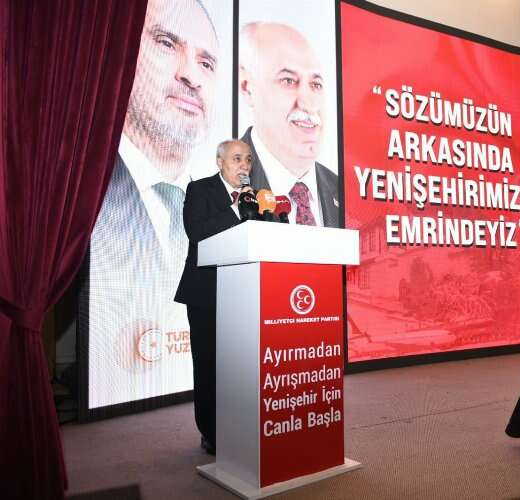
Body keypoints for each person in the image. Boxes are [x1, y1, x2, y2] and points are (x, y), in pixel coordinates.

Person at [87, 0, 219, 408]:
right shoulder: (84, 187)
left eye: (207, 63)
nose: (191, 75)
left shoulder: (220, 191)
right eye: (166, 43)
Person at [175, 140, 253, 455]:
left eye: (248, 159)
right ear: (220, 162)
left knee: (238, 368)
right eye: (237, 158)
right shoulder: (199, 190)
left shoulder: (256, 196)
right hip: (206, 293)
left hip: (244, 293)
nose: (244, 165)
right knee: (209, 366)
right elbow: (196, 232)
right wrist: (235, 209)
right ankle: (210, 431)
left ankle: (239, 426)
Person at [238, 22, 339, 228]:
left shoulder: (344, 192)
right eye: (288, 81)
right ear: (248, 88)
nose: (309, 103)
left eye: (316, 84)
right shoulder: (221, 187)